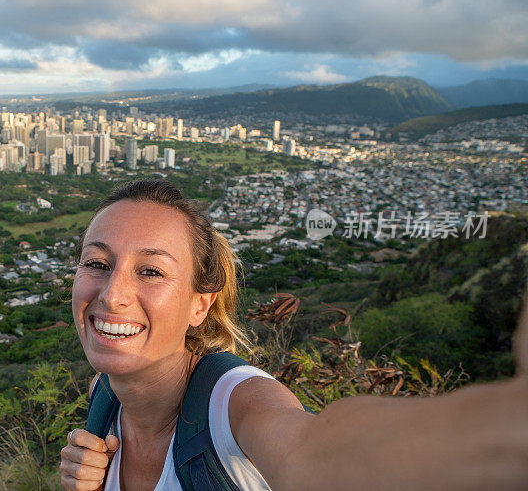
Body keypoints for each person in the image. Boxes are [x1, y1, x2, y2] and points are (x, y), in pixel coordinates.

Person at [59, 179, 528, 490]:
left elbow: (312, 452)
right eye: (98, 263)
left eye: (152, 271)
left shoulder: (235, 404)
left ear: (200, 304)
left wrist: (506, 427)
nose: (113, 293)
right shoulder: (105, 399)